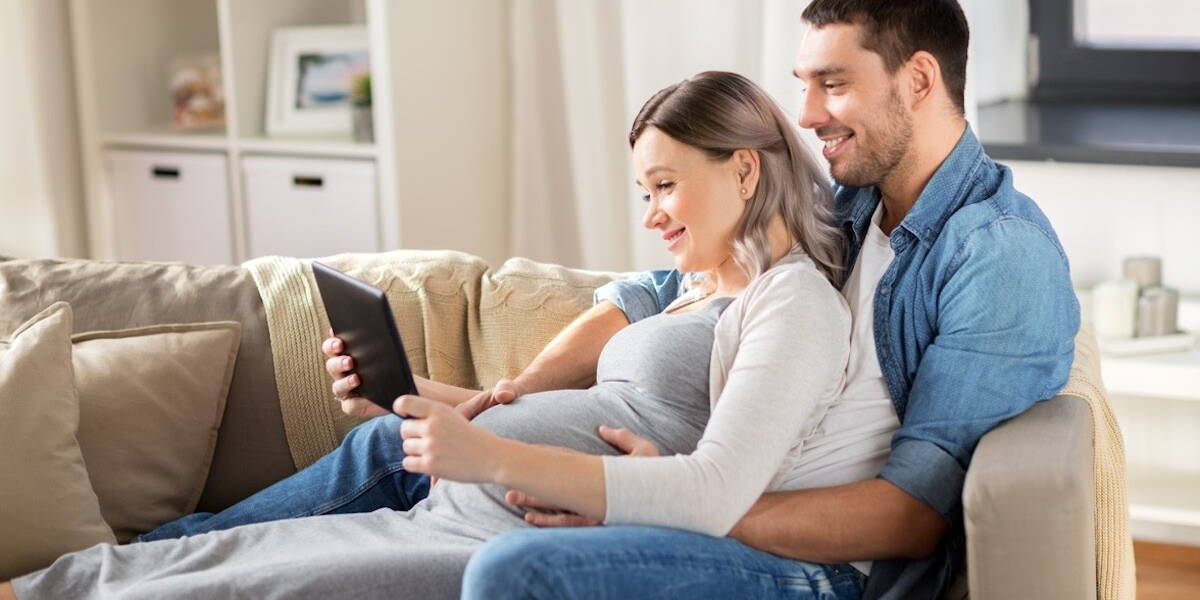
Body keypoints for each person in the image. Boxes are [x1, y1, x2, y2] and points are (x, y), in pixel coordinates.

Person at [2, 71, 872, 600]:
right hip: (456, 507)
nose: (649, 215)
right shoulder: (684, 292)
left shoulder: (790, 305)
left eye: (665, 186)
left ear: (746, 169)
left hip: (492, 538)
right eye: (642, 191)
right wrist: (413, 400)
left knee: (248, 583)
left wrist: (489, 457)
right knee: (225, 554)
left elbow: (709, 488)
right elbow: (534, 408)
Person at [458, 1, 1081, 599]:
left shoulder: (997, 255)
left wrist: (679, 507)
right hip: (725, 504)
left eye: (832, 84)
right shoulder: (852, 207)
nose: (806, 116)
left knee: (519, 571)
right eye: (804, 85)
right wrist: (524, 386)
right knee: (397, 460)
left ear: (918, 79)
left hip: (820, 567)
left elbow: (912, 517)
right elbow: (665, 290)